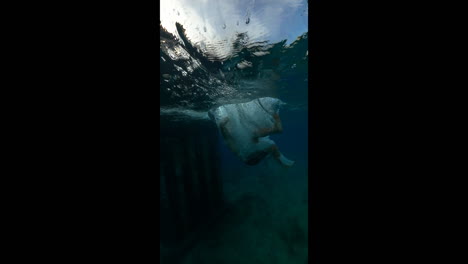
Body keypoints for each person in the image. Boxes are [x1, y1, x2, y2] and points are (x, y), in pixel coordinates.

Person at [208, 97, 294, 167]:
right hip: (249, 140)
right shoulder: (242, 152)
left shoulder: (241, 152)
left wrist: (222, 126)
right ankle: (276, 132)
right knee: (258, 137)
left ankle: (276, 131)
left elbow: (228, 139)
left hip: (249, 140)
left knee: (260, 137)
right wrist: (222, 127)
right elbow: (228, 139)